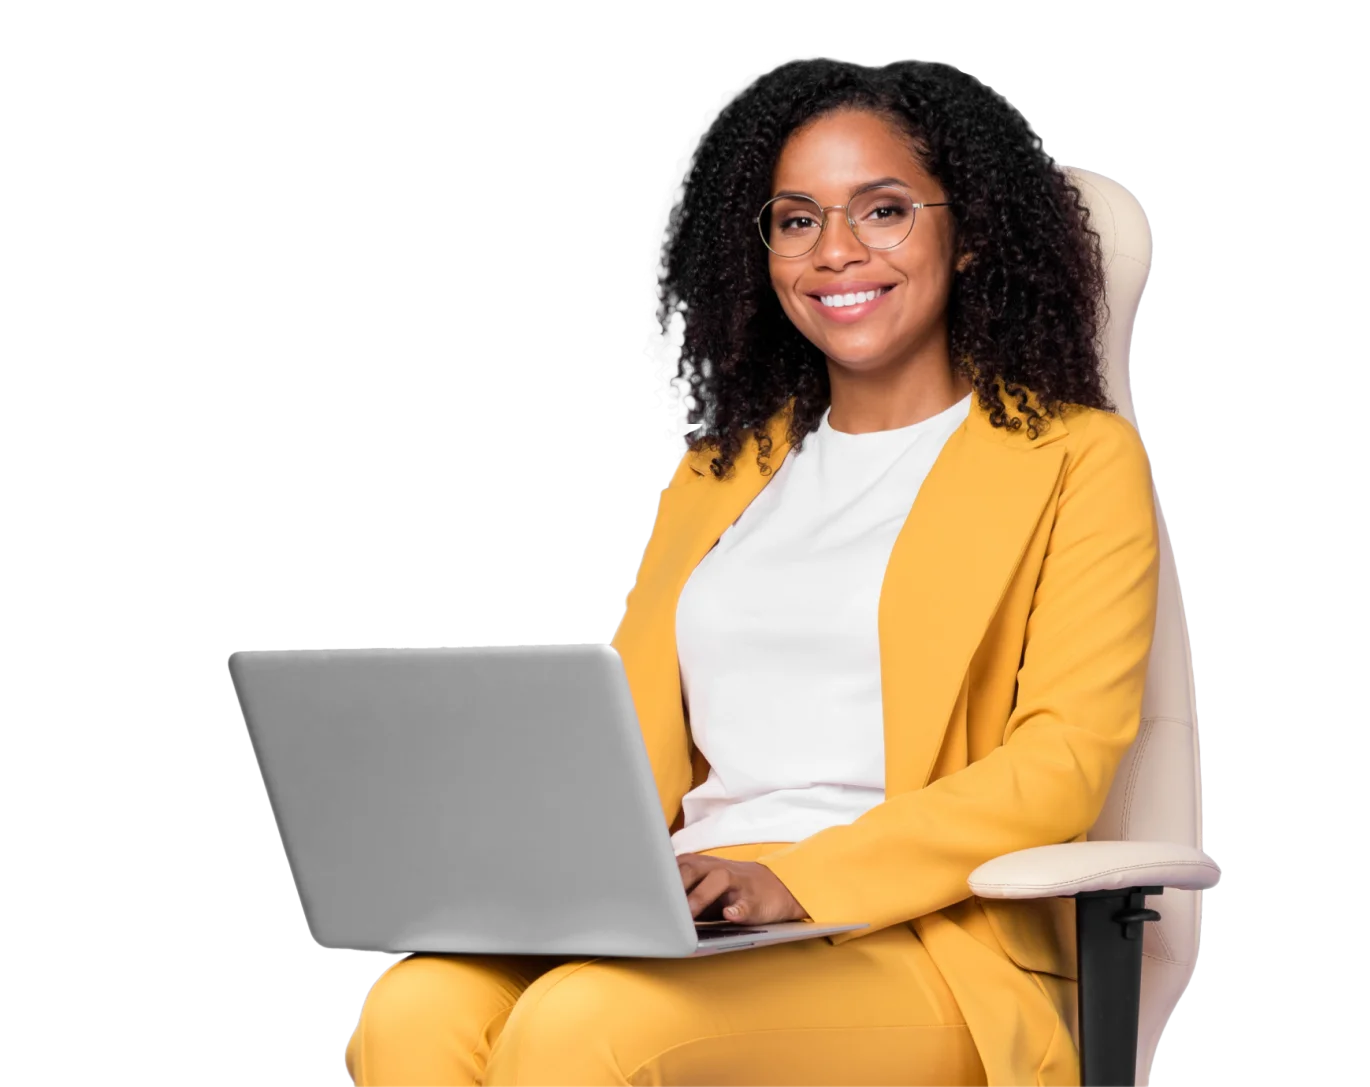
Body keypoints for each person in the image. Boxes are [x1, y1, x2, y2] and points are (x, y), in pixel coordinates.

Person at [344, 55, 1160, 1087]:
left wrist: (795, 877)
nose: (835, 252)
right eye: (795, 219)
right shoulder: (721, 472)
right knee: (414, 1007)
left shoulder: (1070, 457)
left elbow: (1059, 766)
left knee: (581, 1027)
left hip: (911, 937)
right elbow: (635, 736)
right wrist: (538, 875)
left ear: (970, 237)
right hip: (690, 914)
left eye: (883, 211)